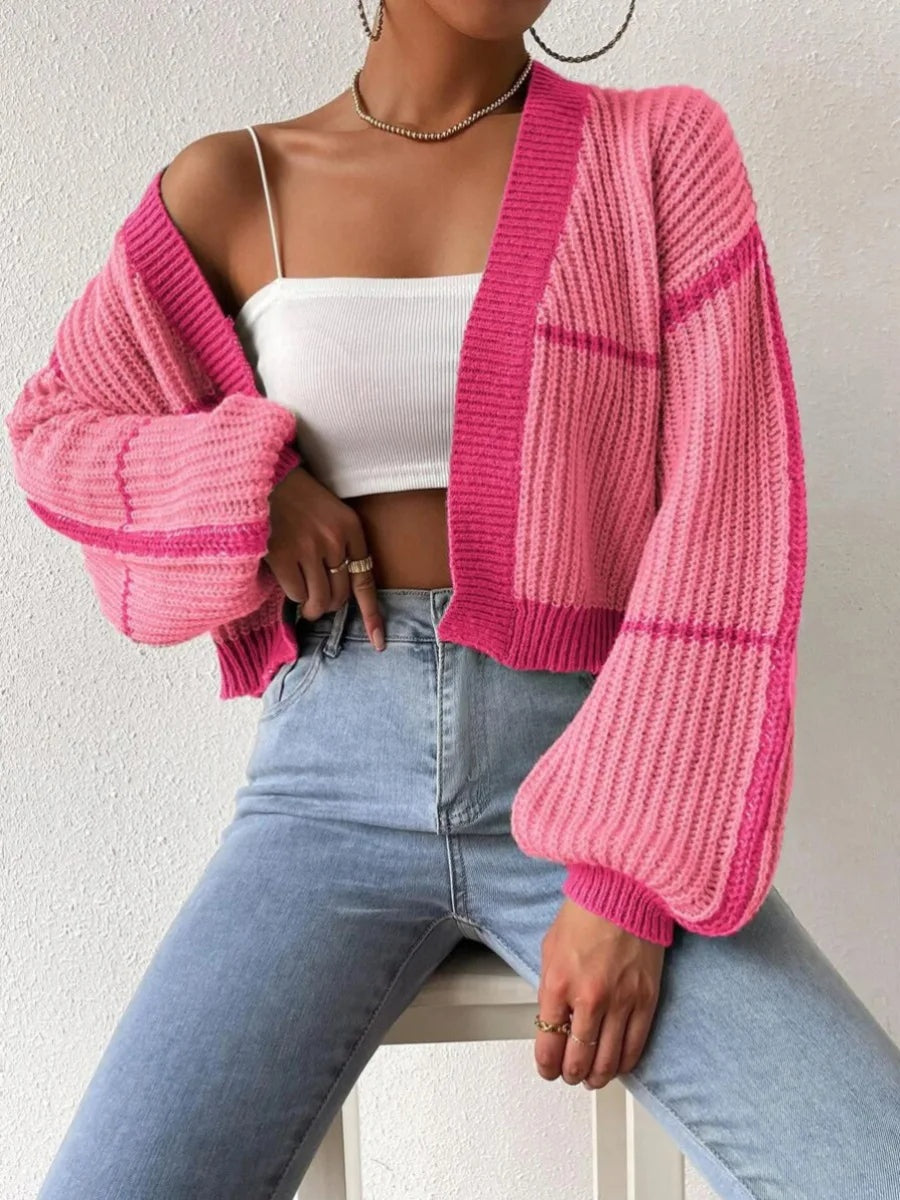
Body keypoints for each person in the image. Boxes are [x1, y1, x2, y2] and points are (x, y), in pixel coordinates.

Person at [7, 2, 899, 1197]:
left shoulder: (659, 153)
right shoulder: (235, 184)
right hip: (324, 791)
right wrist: (246, 485)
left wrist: (630, 880)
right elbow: (55, 432)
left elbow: (728, 516)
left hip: (596, 770)